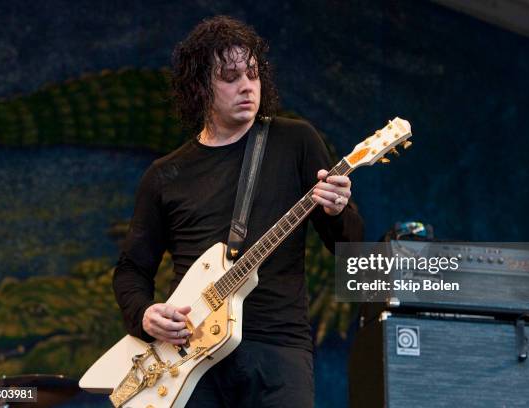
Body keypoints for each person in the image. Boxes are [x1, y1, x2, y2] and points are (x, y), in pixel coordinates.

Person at [112, 15, 364, 407]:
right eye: (230, 77)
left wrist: (337, 209)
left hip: (279, 351)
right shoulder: (165, 175)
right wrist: (144, 314)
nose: (246, 85)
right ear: (199, 87)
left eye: (252, 73)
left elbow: (350, 246)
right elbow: (131, 269)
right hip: (192, 360)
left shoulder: (296, 141)